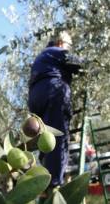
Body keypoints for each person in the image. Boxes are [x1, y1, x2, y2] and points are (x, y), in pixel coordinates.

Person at [28, 31, 83, 189]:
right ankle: (54, 183)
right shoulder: (55, 51)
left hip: (36, 98)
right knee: (58, 136)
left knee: (46, 138)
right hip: (53, 92)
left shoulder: (42, 57)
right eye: (68, 46)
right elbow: (74, 60)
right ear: (60, 43)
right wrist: (89, 64)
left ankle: (45, 176)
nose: (68, 49)